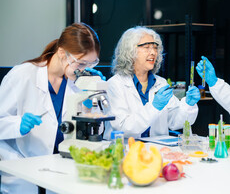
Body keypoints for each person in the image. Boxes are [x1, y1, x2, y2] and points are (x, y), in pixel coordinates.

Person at [0, 23, 105, 194]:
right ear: (62, 53)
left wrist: (92, 102)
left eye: (91, 64)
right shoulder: (22, 76)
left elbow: (94, 128)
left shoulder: (77, 82)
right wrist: (16, 125)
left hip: (63, 170)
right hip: (23, 170)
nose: (84, 70)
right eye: (81, 63)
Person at [104, 26, 200, 139]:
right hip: (126, 150)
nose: (153, 52)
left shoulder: (161, 83)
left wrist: (188, 105)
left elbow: (174, 123)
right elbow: (123, 127)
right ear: (130, 51)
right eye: (147, 47)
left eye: (155, 48)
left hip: (156, 150)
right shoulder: (115, 84)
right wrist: (154, 107)